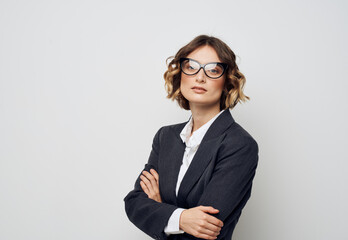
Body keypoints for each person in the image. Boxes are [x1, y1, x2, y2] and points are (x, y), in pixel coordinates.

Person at [124, 35, 259, 240]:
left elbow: (204, 231)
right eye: (191, 67)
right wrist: (182, 218)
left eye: (213, 70)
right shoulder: (165, 137)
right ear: (180, 75)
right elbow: (134, 203)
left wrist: (160, 210)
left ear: (227, 81)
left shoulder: (239, 144)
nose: (200, 77)